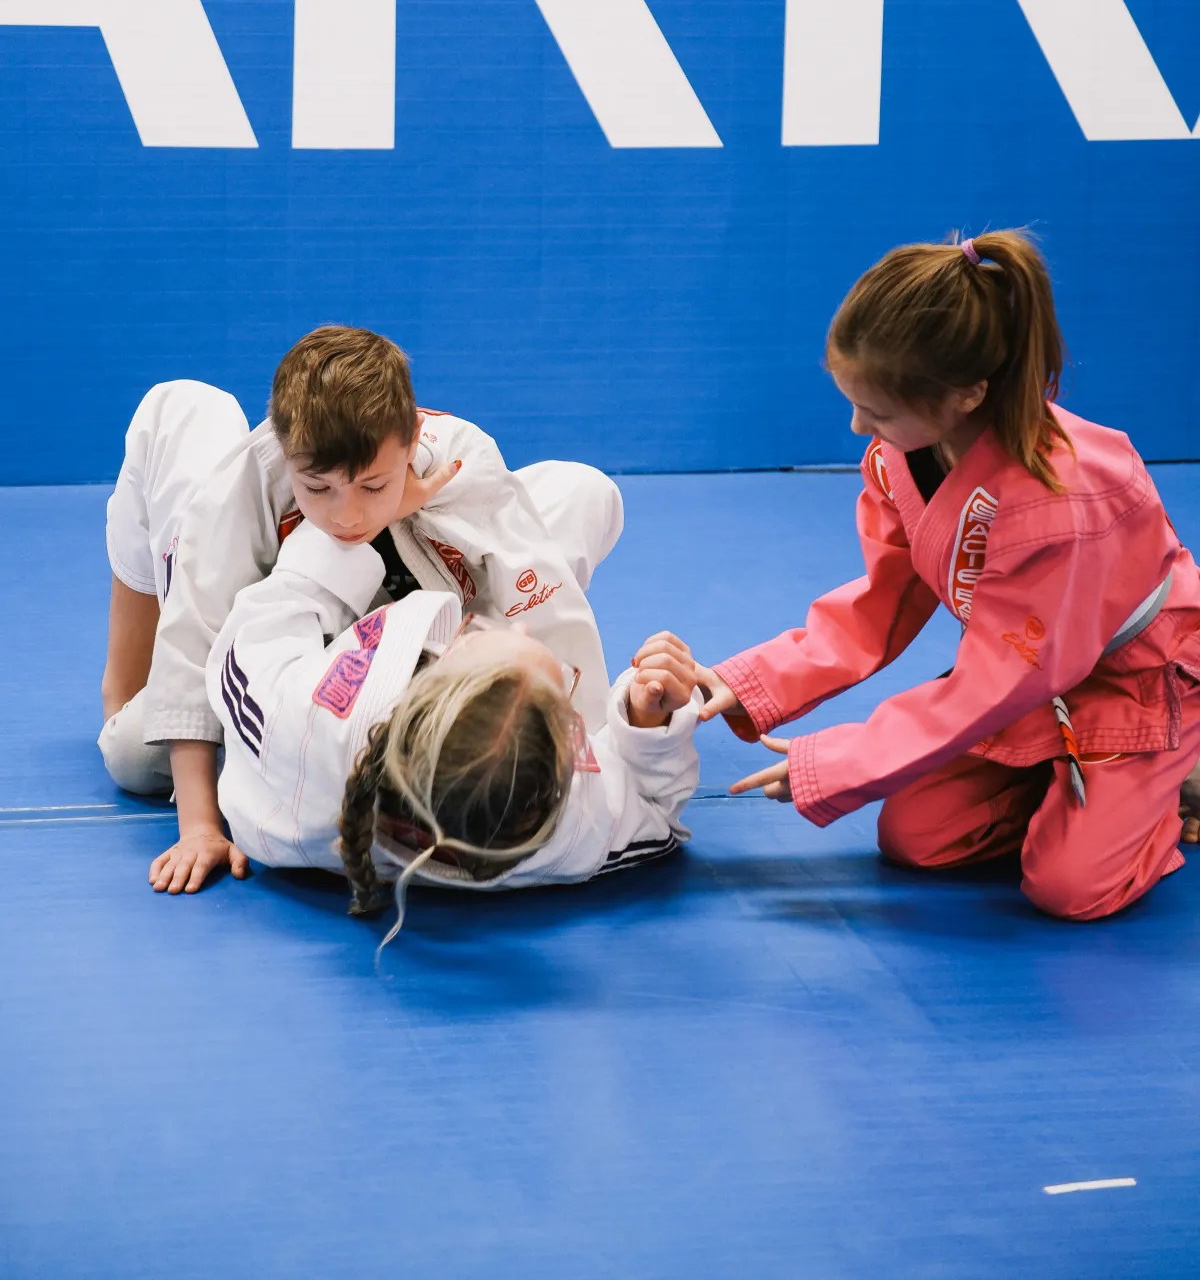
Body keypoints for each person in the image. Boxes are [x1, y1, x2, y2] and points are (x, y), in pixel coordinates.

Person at [694, 231, 1200, 921]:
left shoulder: (1058, 504)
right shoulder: (903, 453)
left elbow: (998, 682)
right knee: (918, 836)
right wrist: (747, 680)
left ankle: (1172, 781)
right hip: (1033, 678)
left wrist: (841, 762)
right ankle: (1081, 791)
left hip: (1135, 686)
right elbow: (884, 598)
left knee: (1071, 889)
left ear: (965, 396)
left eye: (875, 411)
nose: (856, 426)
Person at [99, 326, 622, 894]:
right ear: (281, 448)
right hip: (292, 657)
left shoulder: (459, 456)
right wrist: (199, 826)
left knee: (587, 491)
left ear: (414, 436)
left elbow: (547, 608)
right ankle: (120, 689)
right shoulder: (252, 479)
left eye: (374, 485)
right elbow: (197, 637)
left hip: (421, 653)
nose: (346, 515)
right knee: (132, 754)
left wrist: (568, 750)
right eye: (317, 489)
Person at [205, 514, 700, 933]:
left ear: (434, 673)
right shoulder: (566, 830)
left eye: (474, 635)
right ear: (567, 764)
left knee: (181, 404)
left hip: (319, 609)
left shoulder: (304, 721)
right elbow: (657, 817)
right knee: (588, 496)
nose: (518, 624)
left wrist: (341, 526)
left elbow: (256, 624)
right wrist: (646, 725)